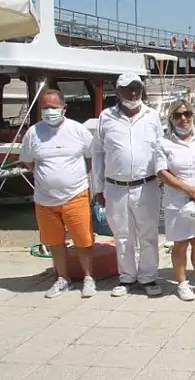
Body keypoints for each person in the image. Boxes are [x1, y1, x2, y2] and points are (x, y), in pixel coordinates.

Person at [92, 72, 163, 298]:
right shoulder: (106, 117)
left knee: (148, 234)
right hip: (115, 186)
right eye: (127, 89)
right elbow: (98, 154)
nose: (133, 93)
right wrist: (98, 188)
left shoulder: (152, 116)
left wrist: (164, 179)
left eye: (136, 88)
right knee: (122, 235)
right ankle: (127, 278)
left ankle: (149, 277)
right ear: (117, 90)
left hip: (147, 185)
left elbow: (160, 150)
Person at [20, 89, 96, 298]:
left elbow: (91, 158)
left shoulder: (78, 130)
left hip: (76, 195)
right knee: (54, 241)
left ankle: (89, 278)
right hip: (44, 200)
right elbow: (27, 160)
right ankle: (63, 278)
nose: (49, 111)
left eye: (54, 107)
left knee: (84, 240)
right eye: (45, 108)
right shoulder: (33, 133)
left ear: (64, 108)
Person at [155, 100, 195, 301]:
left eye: (187, 114)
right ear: (171, 119)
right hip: (177, 201)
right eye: (178, 115)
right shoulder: (163, 143)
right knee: (180, 244)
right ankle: (182, 283)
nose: (183, 119)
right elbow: (162, 172)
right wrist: (188, 189)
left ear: (193, 115)